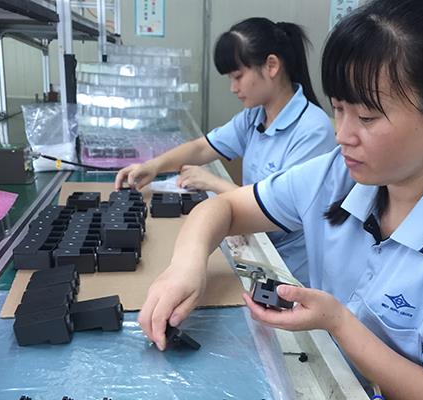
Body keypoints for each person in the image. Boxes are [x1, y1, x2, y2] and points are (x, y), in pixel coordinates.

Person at [137, 0, 423, 398]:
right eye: (338, 109)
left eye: (367, 117)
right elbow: (225, 207)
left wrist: (338, 322)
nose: (342, 135)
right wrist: (186, 265)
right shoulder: (338, 174)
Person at [115, 17, 335, 286]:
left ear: (271, 65)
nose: (233, 88)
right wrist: (154, 166)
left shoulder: (313, 130)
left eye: (238, 76)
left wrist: (214, 183)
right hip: (256, 245)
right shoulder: (255, 116)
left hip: (289, 269)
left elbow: (280, 212)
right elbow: (202, 147)